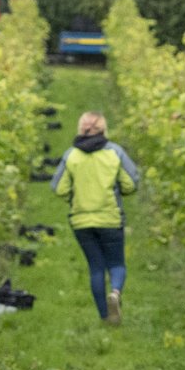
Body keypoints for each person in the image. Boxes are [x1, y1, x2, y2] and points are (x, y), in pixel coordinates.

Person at [50, 111, 139, 325]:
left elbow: (58, 187)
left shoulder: (71, 155)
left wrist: (75, 195)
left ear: (81, 128)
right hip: (110, 218)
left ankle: (104, 316)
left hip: (81, 221)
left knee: (96, 267)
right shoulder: (115, 153)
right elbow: (131, 182)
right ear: (103, 128)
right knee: (116, 263)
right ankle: (115, 293)